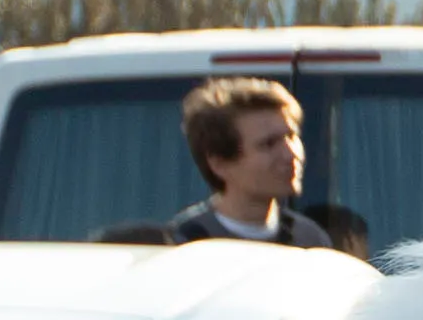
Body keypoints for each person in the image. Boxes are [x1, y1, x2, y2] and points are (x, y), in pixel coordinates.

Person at [159, 77, 372, 261]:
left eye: (291, 136)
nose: (291, 154)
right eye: (268, 144)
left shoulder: (310, 240)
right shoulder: (185, 244)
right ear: (219, 163)